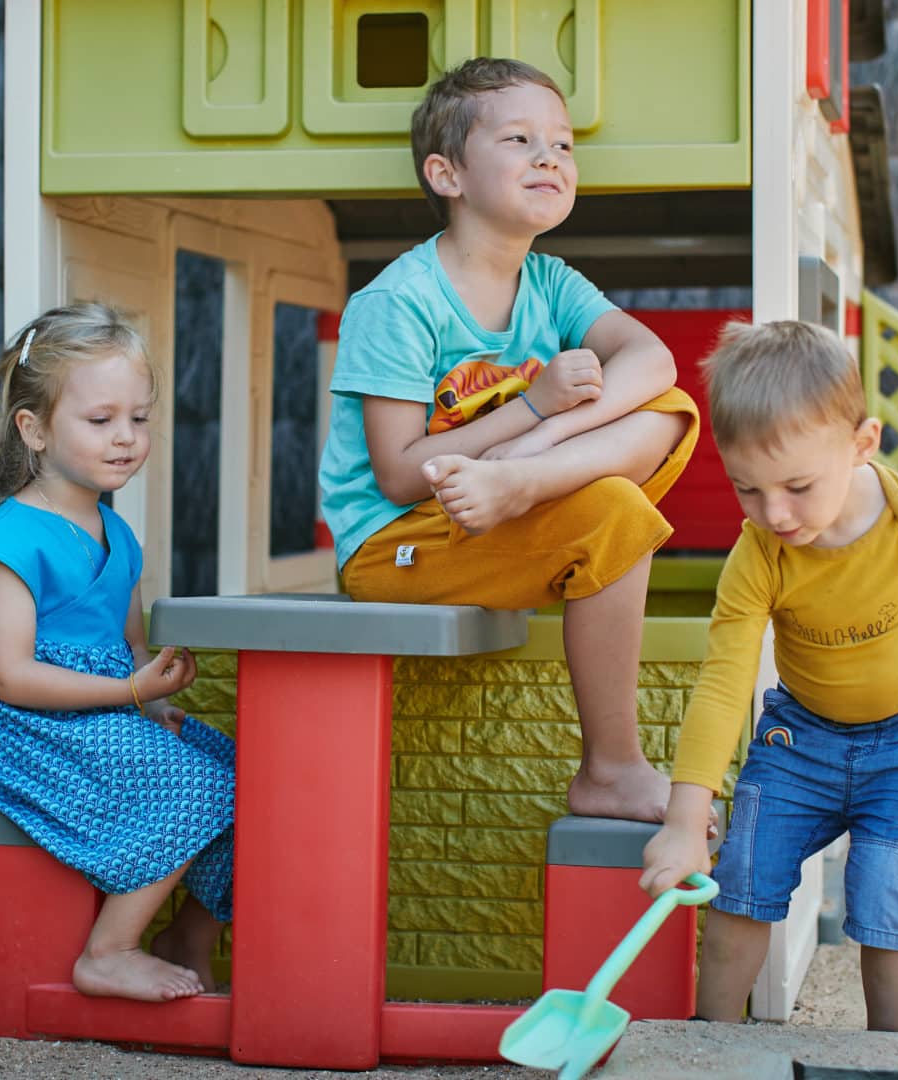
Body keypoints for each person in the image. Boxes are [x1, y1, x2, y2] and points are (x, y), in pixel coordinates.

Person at [317, 57, 702, 823]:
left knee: (671, 408)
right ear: (447, 174)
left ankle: (525, 481)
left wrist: (538, 446)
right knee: (615, 513)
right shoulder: (398, 301)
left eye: (562, 145)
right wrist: (529, 407)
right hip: (396, 541)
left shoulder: (551, 282)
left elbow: (651, 360)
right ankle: (612, 768)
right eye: (520, 140)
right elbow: (396, 474)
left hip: (500, 497)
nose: (549, 159)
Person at [638, 321, 898, 1030]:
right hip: (800, 740)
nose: (775, 513)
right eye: (748, 490)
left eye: (796, 486)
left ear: (863, 444)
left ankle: (887, 1052)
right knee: (742, 879)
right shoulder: (759, 552)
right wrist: (683, 818)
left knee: (887, 892)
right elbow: (725, 681)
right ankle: (711, 1048)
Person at [0, 303, 234, 1002]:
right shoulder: (12, 541)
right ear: (35, 429)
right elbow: (9, 678)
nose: (126, 438)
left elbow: (129, 644)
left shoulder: (116, 531)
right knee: (199, 787)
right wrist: (130, 694)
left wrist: (155, 695)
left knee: (242, 771)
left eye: (139, 417)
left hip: (99, 712)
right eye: (101, 421)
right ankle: (107, 951)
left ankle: (189, 936)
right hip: (24, 727)